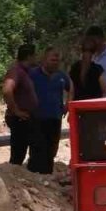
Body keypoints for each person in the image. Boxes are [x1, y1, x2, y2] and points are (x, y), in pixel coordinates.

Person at [28, 47, 70, 176]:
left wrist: (67, 105)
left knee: (52, 148)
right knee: (38, 147)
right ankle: (34, 174)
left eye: (57, 60)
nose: (55, 62)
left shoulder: (61, 76)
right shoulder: (33, 74)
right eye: (52, 60)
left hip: (55, 117)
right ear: (44, 59)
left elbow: (71, 89)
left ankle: (47, 175)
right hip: (37, 117)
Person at [2, 43, 39, 167]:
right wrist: (16, 111)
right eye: (35, 55)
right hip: (20, 118)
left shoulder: (26, 71)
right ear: (29, 56)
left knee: (32, 150)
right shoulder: (16, 71)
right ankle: (12, 179)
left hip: (27, 117)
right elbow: (7, 90)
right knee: (18, 154)